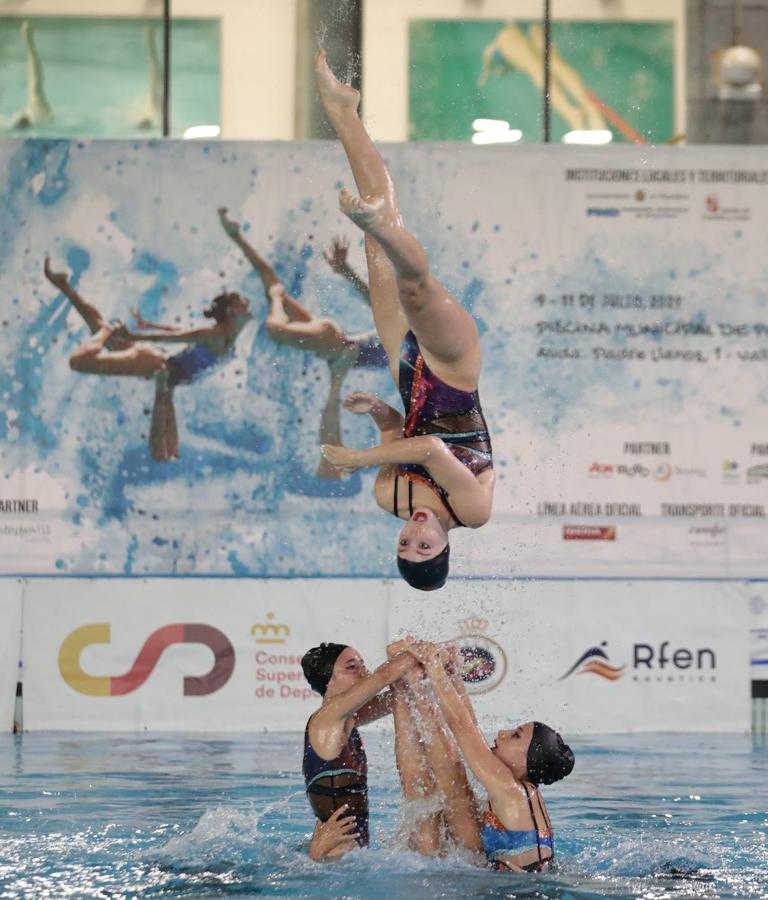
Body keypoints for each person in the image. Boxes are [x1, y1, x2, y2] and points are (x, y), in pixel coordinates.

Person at [313, 50, 495, 590]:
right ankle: (388, 232)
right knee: (415, 288)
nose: (414, 533)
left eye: (405, 545)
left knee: (375, 231)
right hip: (455, 372)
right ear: (443, 548)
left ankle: (343, 112)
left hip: (408, 373)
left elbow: (402, 431)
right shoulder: (472, 510)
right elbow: (431, 449)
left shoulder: (388, 498)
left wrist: (375, 413)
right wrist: (358, 457)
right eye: (424, 546)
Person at [218, 209, 388, 479]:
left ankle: (329, 470)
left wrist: (275, 297)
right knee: (332, 403)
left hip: (353, 349)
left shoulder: (328, 336)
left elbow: (274, 311)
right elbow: (274, 315)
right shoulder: (327, 336)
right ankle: (329, 470)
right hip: (355, 349)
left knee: (332, 403)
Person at [392, 638, 575, 872]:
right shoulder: (523, 790)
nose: (502, 734)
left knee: (456, 791)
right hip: (519, 879)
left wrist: (435, 668)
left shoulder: (510, 790)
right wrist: (454, 676)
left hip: (519, 891)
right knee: (456, 800)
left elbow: (463, 728)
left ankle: (414, 688)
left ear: (527, 760)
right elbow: (472, 729)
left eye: (516, 736)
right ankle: (415, 688)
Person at [43, 257, 251, 461]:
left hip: (167, 373)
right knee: (79, 362)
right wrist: (133, 336)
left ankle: (65, 286)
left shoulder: (227, 341)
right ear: (231, 312)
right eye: (243, 302)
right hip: (157, 364)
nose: (248, 303)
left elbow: (180, 331)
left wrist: (148, 325)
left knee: (170, 454)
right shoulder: (215, 335)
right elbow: (173, 338)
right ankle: (106, 330)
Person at [300, 642, 418, 860]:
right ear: (329, 681)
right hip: (334, 860)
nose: (365, 672)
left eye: (363, 664)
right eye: (352, 667)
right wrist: (422, 652)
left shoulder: (347, 720)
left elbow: (399, 695)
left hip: (349, 857)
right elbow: (384, 676)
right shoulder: (326, 718)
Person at [9, 20, 54, 131]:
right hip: (42, 117)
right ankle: (28, 39)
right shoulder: (40, 115)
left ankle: (28, 38)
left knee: (35, 85)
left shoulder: (35, 112)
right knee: (35, 86)